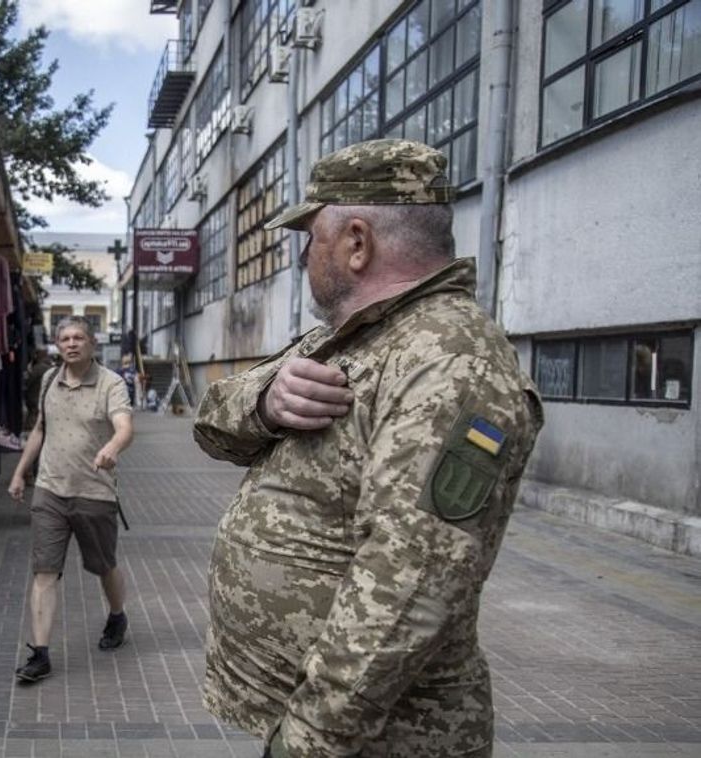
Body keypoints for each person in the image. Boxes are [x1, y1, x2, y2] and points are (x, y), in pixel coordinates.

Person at [193, 139, 544, 758]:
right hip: (314, 720)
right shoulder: (355, 337)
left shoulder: (450, 360)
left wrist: (311, 738)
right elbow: (211, 421)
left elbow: (411, 579)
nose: (303, 256)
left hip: (376, 739)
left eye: (310, 237)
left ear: (356, 242)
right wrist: (266, 401)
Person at [7, 317, 135, 683]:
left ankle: (117, 615)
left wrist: (112, 447)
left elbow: (125, 427)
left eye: (79, 337)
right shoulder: (49, 379)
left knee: (104, 565)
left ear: (92, 343)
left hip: (94, 492)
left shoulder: (110, 383)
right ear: (57, 344)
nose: (72, 343)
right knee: (44, 571)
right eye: (65, 338)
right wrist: (20, 473)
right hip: (50, 490)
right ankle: (40, 654)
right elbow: (40, 429)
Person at [23, 347, 52, 431]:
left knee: (32, 413)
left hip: (34, 396)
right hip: (45, 396)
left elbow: (29, 382)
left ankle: (30, 428)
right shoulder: (50, 368)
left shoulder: (37, 368)